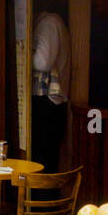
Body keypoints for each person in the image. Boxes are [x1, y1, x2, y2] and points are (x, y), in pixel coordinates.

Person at [31, 10, 72, 174]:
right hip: (51, 104)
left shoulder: (48, 23)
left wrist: (21, 52)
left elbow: (42, 62)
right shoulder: (52, 22)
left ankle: (43, 200)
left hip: (47, 103)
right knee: (46, 160)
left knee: (43, 162)